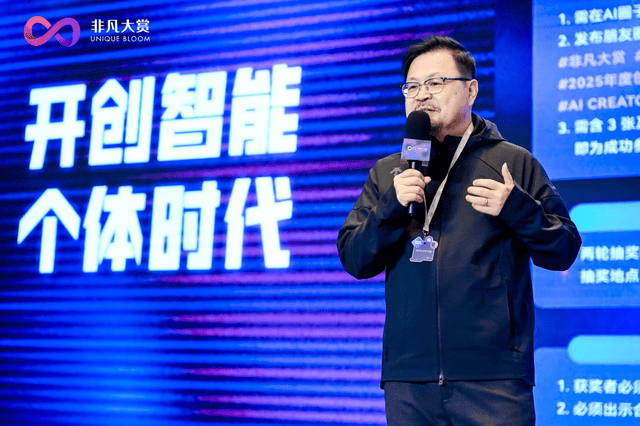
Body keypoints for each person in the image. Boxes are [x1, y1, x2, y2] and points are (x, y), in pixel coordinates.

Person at [336, 36, 581, 425]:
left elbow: (563, 249)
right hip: (409, 380)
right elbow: (355, 258)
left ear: (471, 90)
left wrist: (516, 208)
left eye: (435, 83)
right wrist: (391, 206)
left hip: (493, 380)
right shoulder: (388, 173)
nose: (421, 95)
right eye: (412, 86)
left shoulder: (511, 162)